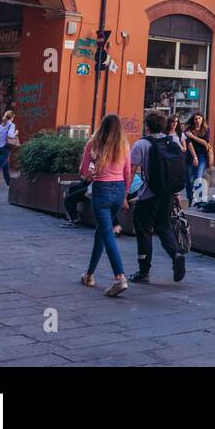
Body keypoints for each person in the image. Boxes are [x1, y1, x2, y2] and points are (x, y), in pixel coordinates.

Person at [129, 111, 187, 284]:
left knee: (143, 230)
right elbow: (175, 170)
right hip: (168, 193)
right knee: (164, 226)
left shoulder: (141, 144)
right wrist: (177, 193)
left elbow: (132, 169)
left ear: (147, 126)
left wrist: (124, 194)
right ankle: (176, 253)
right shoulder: (173, 141)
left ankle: (143, 270)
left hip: (148, 195)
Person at [79, 113, 132, 297]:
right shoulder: (124, 145)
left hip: (101, 190)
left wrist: (91, 174)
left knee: (107, 232)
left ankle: (119, 277)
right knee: (101, 232)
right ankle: (89, 274)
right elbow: (127, 173)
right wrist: (125, 195)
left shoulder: (94, 143)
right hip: (118, 190)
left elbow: (84, 171)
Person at [183, 113, 212, 206]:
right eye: (196, 119)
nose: (198, 120)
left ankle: (200, 201)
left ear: (202, 119)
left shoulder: (206, 129)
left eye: (199, 118)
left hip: (202, 156)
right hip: (190, 156)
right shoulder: (188, 130)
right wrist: (194, 157)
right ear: (193, 120)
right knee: (189, 180)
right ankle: (190, 199)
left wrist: (193, 136)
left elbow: (205, 143)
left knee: (198, 177)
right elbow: (189, 144)